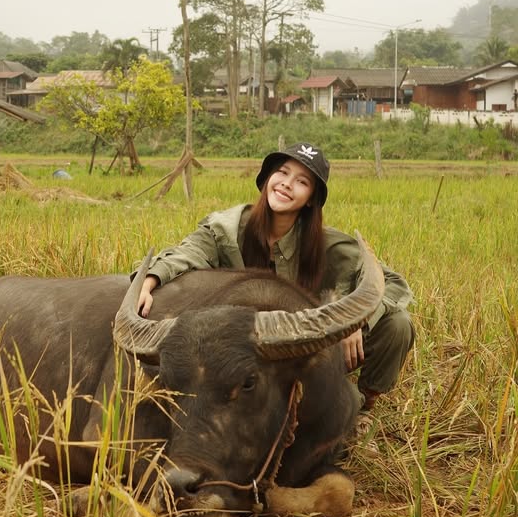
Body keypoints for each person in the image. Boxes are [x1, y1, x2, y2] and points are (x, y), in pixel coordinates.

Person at [137, 141, 414, 418]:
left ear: (311, 199)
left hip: (300, 348)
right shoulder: (227, 229)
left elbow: (391, 282)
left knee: (396, 325)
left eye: (302, 181)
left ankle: (366, 405)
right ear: (267, 178)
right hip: (236, 351)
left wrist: (358, 317)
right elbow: (188, 252)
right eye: (282, 172)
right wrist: (150, 280)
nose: (286, 184)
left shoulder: (327, 244)